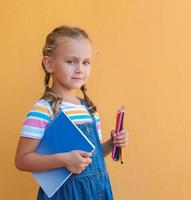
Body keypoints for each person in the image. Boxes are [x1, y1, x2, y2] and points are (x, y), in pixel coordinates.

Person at [15, 25, 128, 200]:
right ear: (49, 64)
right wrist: (64, 160)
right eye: (71, 61)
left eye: (86, 62)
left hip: (96, 191)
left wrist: (112, 144)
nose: (80, 69)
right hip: (65, 194)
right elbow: (22, 160)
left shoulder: (89, 109)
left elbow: (92, 155)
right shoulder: (43, 110)